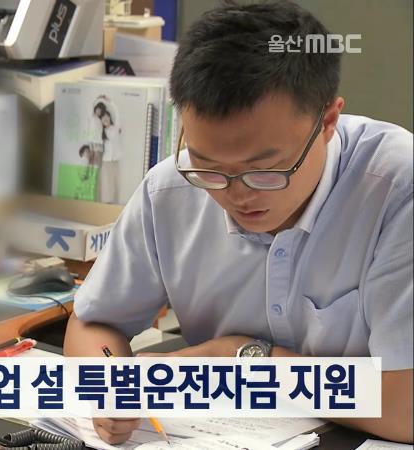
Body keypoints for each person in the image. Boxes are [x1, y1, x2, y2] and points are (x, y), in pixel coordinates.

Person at [64, 0, 412, 444]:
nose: (237, 194)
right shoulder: (170, 190)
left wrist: (239, 359)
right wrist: (109, 384)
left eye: (265, 170)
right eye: (208, 167)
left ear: (327, 121)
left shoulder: (397, 192)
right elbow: (94, 323)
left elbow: (405, 408)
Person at [98, 110, 123, 204]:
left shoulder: (115, 128)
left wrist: (111, 103)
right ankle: (106, 203)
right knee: (106, 183)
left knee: (116, 182)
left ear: (109, 117)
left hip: (115, 160)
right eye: (103, 118)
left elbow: (118, 115)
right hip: (106, 160)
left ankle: (114, 202)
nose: (105, 120)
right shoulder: (101, 132)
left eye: (106, 117)